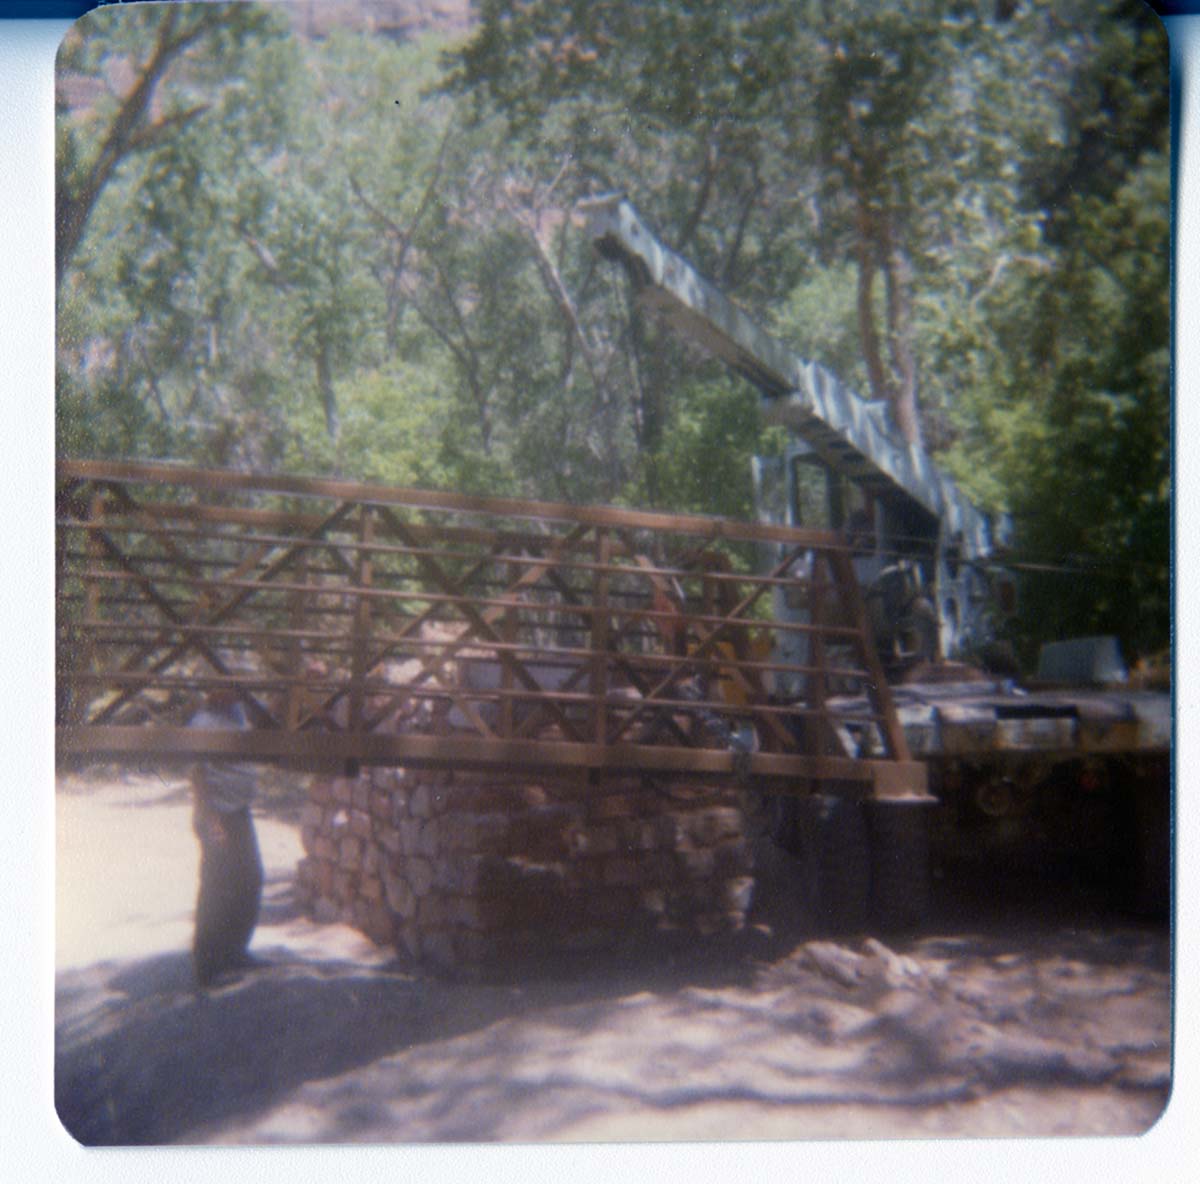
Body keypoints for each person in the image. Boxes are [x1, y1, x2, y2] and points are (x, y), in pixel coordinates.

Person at [188, 686, 263, 987]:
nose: (238, 692)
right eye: (231, 686)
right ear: (215, 689)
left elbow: (270, 721)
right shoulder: (202, 723)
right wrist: (211, 820)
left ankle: (234, 951)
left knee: (250, 879)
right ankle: (207, 964)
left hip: (239, 812)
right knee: (217, 886)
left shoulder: (235, 712)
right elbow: (198, 775)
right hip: (217, 814)